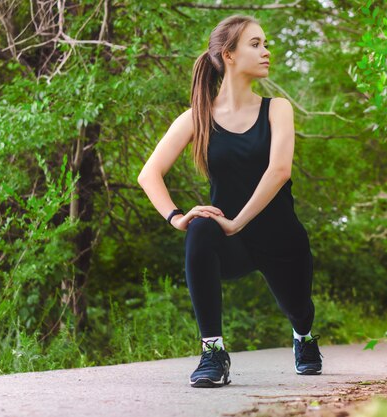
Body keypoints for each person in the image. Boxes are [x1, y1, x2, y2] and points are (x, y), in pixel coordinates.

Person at [137, 14, 323, 388]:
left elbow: (279, 171)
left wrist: (238, 221)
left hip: (279, 235)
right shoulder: (196, 118)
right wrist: (177, 216)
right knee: (200, 227)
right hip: (228, 238)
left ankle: (303, 338)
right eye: (256, 44)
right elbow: (148, 174)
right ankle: (212, 352)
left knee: (299, 310)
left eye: (265, 43)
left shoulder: (278, 109)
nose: (267, 51)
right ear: (230, 55)